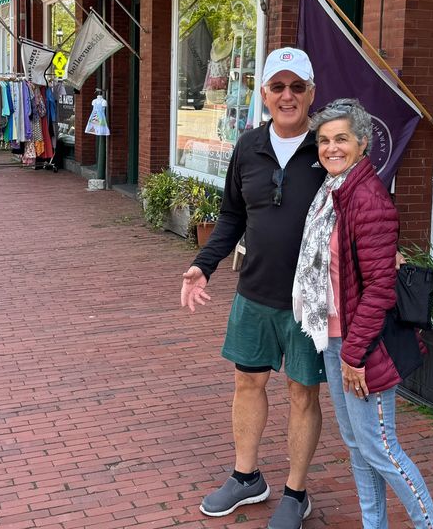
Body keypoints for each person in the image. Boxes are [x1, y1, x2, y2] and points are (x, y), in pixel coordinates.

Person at [181, 48, 327, 529]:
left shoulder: (328, 148)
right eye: (277, 87)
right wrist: (205, 264)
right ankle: (247, 479)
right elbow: (232, 215)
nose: (287, 96)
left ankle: (295, 493)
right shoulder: (247, 147)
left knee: (303, 394)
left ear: (311, 92)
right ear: (263, 93)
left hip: (311, 301)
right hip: (255, 292)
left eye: (296, 87)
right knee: (248, 382)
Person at [296, 99, 433, 529]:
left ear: (363, 143)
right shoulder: (332, 193)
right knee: (358, 446)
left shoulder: (367, 198)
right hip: (335, 336)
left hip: (362, 345)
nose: (331, 148)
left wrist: (354, 354)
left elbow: (379, 289)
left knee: (380, 447)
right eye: (324, 140)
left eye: (341, 138)